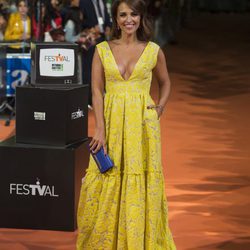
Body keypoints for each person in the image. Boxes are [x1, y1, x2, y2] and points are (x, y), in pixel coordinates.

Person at [77, 0, 176, 249]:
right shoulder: (102, 49)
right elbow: (96, 92)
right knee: (106, 176)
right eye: (123, 15)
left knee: (140, 179)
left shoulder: (153, 50)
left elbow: (165, 83)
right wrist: (99, 128)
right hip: (110, 123)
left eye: (134, 14)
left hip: (142, 127)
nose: (128, 19)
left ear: (141, 18)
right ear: (116, 19)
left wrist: (159, 108)